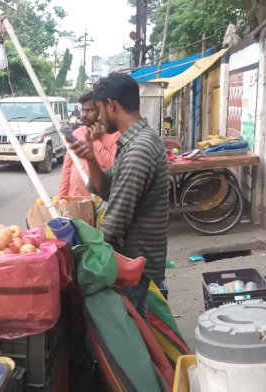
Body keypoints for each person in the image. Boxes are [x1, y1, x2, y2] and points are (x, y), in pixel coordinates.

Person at [71, 73, 169, 316]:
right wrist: (91, 157)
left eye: (99, 109)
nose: (99, 116)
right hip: (136, 264)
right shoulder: (134, 143)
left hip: (138, 268)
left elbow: (116, 221)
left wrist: (82, 259)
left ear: (111, 105)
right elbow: (105, 187)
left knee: (134, 339)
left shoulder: (139, 149)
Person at [60, 91, 121, 198]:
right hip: (74, 198)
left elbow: (111, 166)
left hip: (98, 201)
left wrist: (95, 141)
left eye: (90, 110)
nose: (84, 115)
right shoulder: (77, 134)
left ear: (101, 111)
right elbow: (67, 169)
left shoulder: (115, 136)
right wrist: (62, 197)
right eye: (83, 110)